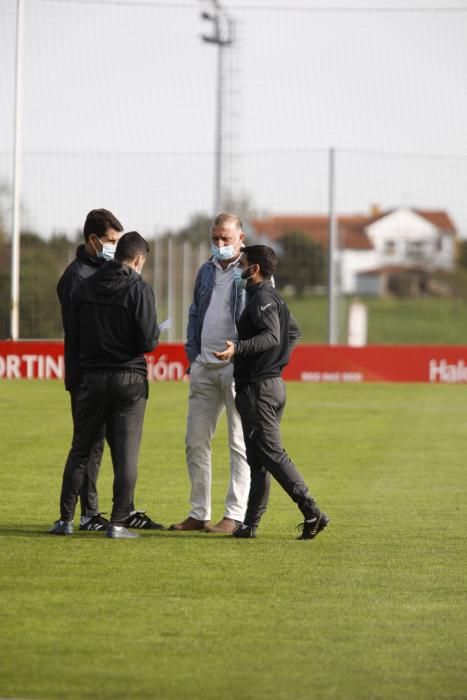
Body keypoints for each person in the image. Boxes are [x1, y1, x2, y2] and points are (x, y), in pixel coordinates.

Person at [213, 245, 329, 540]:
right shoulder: (271, 297)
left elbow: (272, 335)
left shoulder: (262, 297)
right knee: (258, 459)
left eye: (244, 263)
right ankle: (250, 524)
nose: (239, 267)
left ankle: (312, 511)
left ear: (255, 269)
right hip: (270, 385)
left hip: (259, 390)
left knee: (272, 454)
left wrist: (240, 349)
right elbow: (292, 333)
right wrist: (276, 360)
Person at [57, 209, 163, 532]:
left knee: (82, 448)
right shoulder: (86, 280)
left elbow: (80, 330)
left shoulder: (88, 284)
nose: (112, 247)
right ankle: (109, 519)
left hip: (91, 373)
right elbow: (147, 340)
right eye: (109, 240)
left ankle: (67, 519)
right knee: (117, 451)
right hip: (118, 375)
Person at [169, 213, 250, 533]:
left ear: (240, 238)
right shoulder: (205, 270)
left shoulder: (251, 272)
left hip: (236, 368)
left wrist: (242, 354)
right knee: (195, 441)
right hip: (204, 366)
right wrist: (194, 357)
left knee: (238, 443)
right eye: (215, 238)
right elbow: (193, 314)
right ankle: (199, 512)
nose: (219, 244)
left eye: (226, 239)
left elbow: (260, 317)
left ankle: (234, 514)